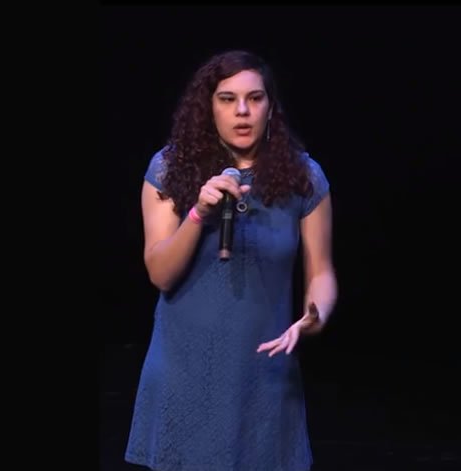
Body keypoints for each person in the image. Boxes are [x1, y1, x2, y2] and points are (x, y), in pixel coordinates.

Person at [124, 49, 338, 471]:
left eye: (254, 98)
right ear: (209, 107)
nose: (242, 111)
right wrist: (198, 215)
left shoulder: (304, 177)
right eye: (227, 99)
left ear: (270, 108)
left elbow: (322, 272)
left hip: (263, 373)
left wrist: (315, 314)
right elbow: (160, 273)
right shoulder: (170, 168)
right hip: (184, 372)